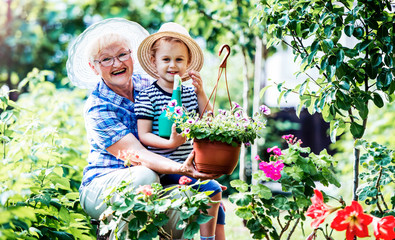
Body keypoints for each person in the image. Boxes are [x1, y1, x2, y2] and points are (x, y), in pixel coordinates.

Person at [66, 18, 221, 240]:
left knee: (188, 198)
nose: (117, 63)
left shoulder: (146, 85)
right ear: (94, 67)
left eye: (122, 55)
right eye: (106, 59)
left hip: (156, 179)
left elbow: (187, 107)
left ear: (131, 55)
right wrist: (182, 168)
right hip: (103, 185)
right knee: (144, 175)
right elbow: (138, 155)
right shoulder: (98, 107)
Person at [135, 22, 226, 240]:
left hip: (190, 166)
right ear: (154, 62)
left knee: (219, 210)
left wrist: (201, 93)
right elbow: (144, 135)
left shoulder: (190, 93)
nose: (172, 65)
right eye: (166, 59)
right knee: (213, 190)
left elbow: (209, 122)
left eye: (179, 60)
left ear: (187, 64)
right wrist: (170, 142)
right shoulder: (148, 96)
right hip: (165, 168)